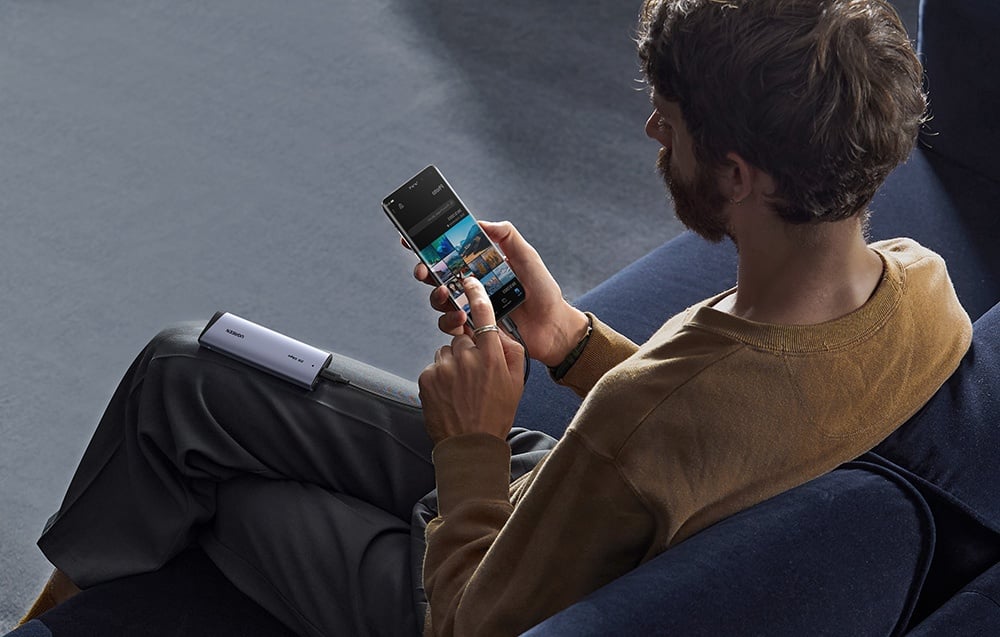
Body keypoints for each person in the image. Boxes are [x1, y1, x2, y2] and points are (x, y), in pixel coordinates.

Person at [15, 0, 972, 636]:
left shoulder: (638, 425)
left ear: (736, 176)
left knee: (212, 488)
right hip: (574, 500)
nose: (651, 130)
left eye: (669, 118)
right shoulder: (921, 290)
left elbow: (473, 621)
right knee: (191, 366)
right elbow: (724, 429)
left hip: (476, 571)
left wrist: (467, 442)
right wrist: (567, 339)